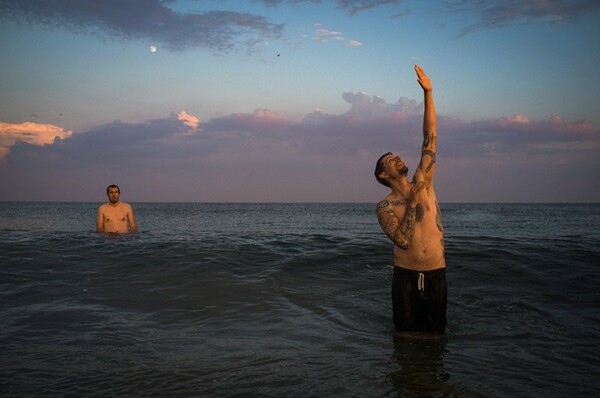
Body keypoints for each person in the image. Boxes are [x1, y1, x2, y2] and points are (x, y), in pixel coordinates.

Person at [374, 65, 446, 334]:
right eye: (390, 160)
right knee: (405, 340)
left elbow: (430, 138)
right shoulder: (384, 206)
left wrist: (428, 92)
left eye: (396, 155)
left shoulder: (424, 182)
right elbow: (402, 241)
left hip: (437, 274)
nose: (397, 158)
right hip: (404, 278)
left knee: (437, 340)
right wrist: (413, 202)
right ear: (384, 174)